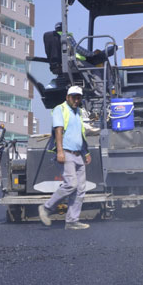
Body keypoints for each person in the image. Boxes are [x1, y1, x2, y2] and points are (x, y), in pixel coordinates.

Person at [38, 86, 92, 230]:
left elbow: (80, 133)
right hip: (66, 153)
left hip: (78, 154)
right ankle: (47, 208)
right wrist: (60, 151)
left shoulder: (78, 112)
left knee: (80, 189)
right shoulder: (60, 109)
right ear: (67, 97)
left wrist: (85, 152)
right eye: (73, 97)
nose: (76, 100)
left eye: (78, 97)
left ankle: (72, 221)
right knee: (71, 184)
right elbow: (58, 130)